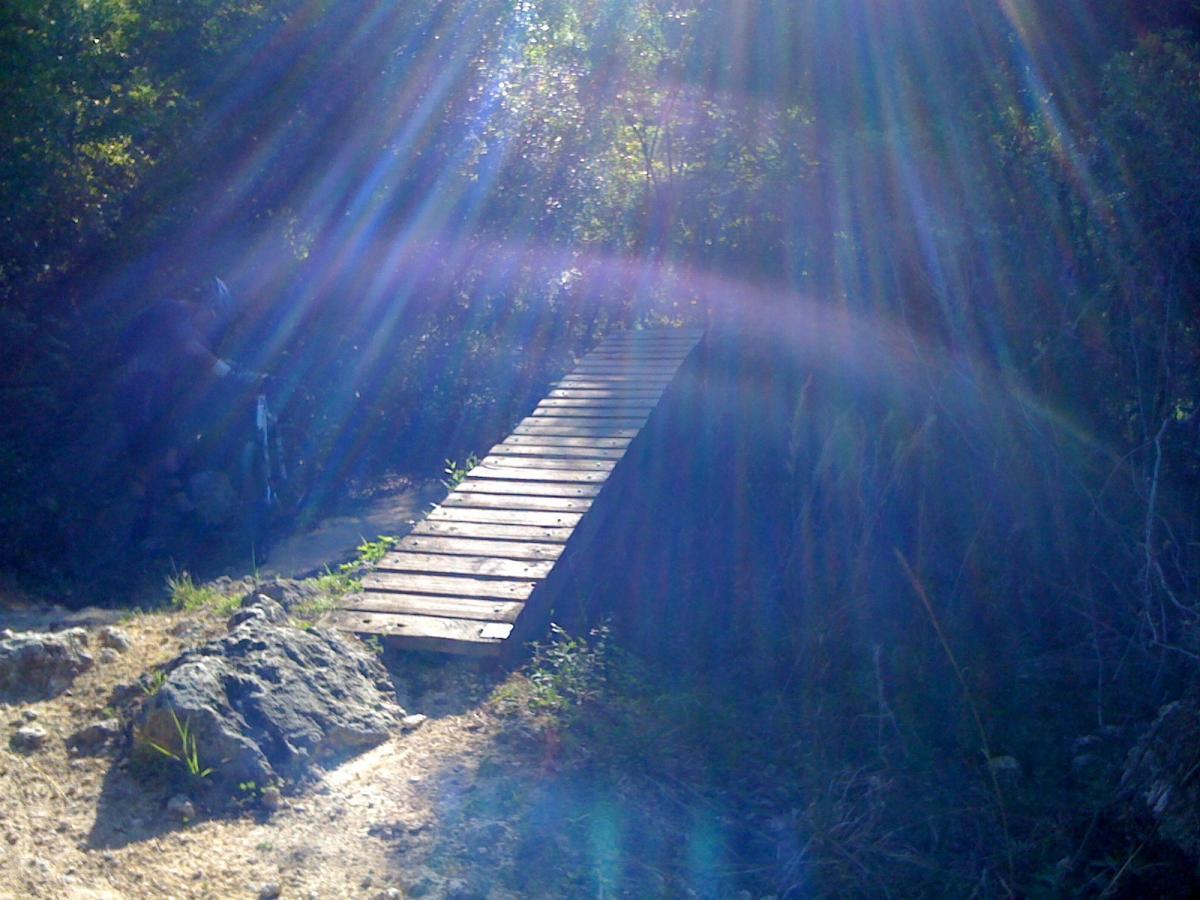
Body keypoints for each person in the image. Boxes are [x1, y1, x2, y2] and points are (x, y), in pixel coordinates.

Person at [114, 277, 263, 542]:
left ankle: (182, 519)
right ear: (205, 305)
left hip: (144, 391)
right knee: (150, 459)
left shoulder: (171, 317)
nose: (210, 322)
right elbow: (191, 350)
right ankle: (136, 532)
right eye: (213, 313)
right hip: (140, 390)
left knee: (167, 453)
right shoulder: (175, 310)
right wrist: (229, 373)